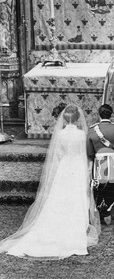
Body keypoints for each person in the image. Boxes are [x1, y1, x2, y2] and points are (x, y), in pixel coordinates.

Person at [0, 105, 100, 259]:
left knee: (60, 196)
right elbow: (86, 153)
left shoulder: (59, 134)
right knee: (77, 194)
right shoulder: (82, 134)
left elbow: (58, 155)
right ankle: (77, 224)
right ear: (78, 118)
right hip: (78, 165)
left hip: (65, 166)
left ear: (64, 119)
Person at [87, 103, 114, 225]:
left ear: (99, 115)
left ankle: (100, 210)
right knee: (113, 186)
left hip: (99, 162)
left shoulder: (92, 130)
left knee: (99, 185)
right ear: (111, 115)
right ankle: (107, 210)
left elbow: (89, 152)